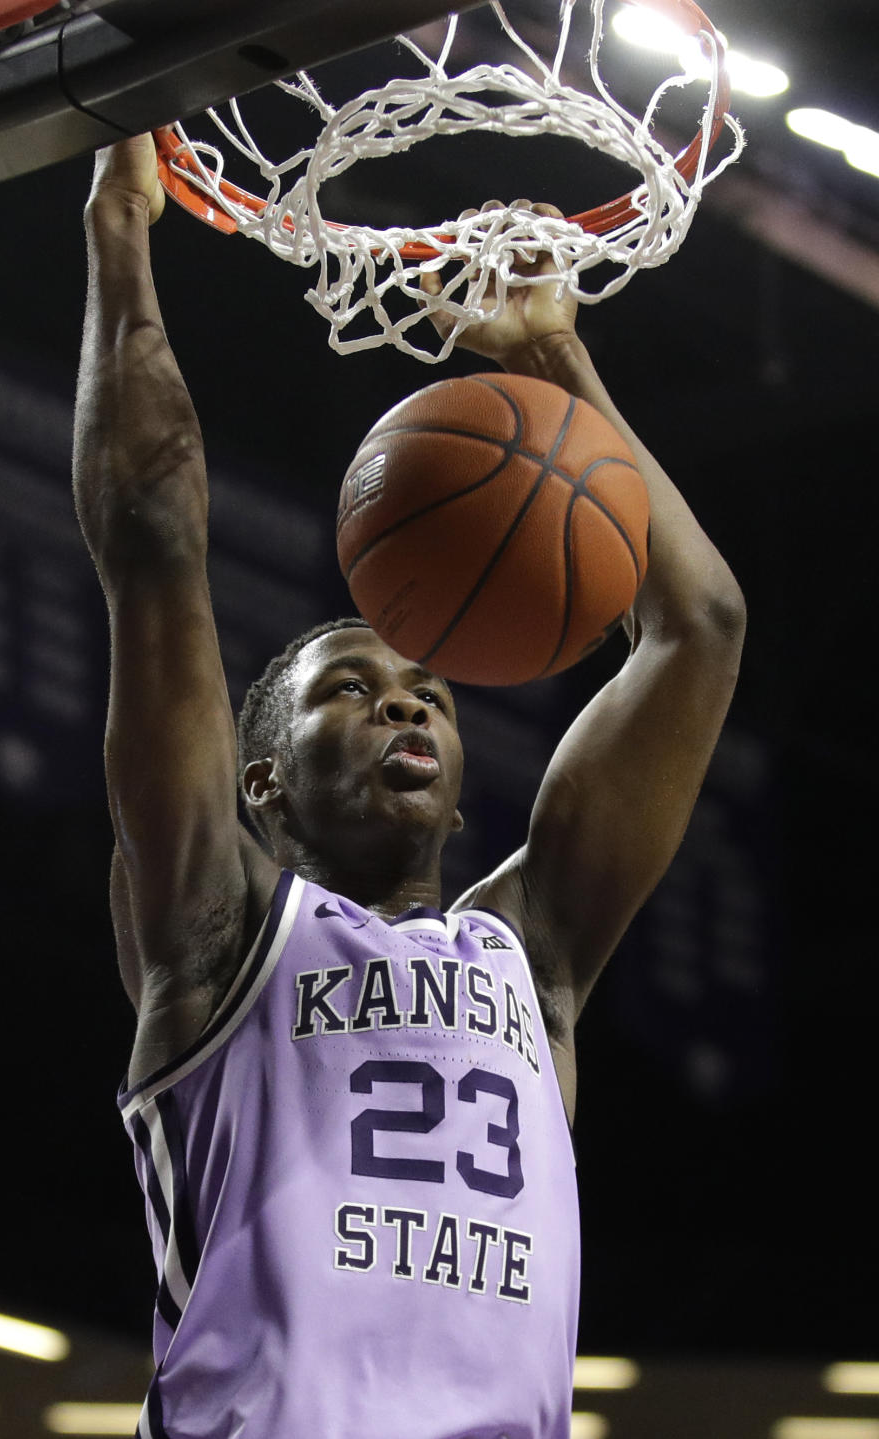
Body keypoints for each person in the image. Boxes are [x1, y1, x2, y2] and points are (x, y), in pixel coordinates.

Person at [73, 133, 746, 1439]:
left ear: (455, 795)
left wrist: (548, 356)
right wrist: (119, 226)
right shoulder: (219, 935)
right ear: (261, 782)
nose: (402, 697)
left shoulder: (528, 958)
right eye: (348, 686)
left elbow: (697, 626)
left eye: (427, 691)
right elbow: (155, 536)